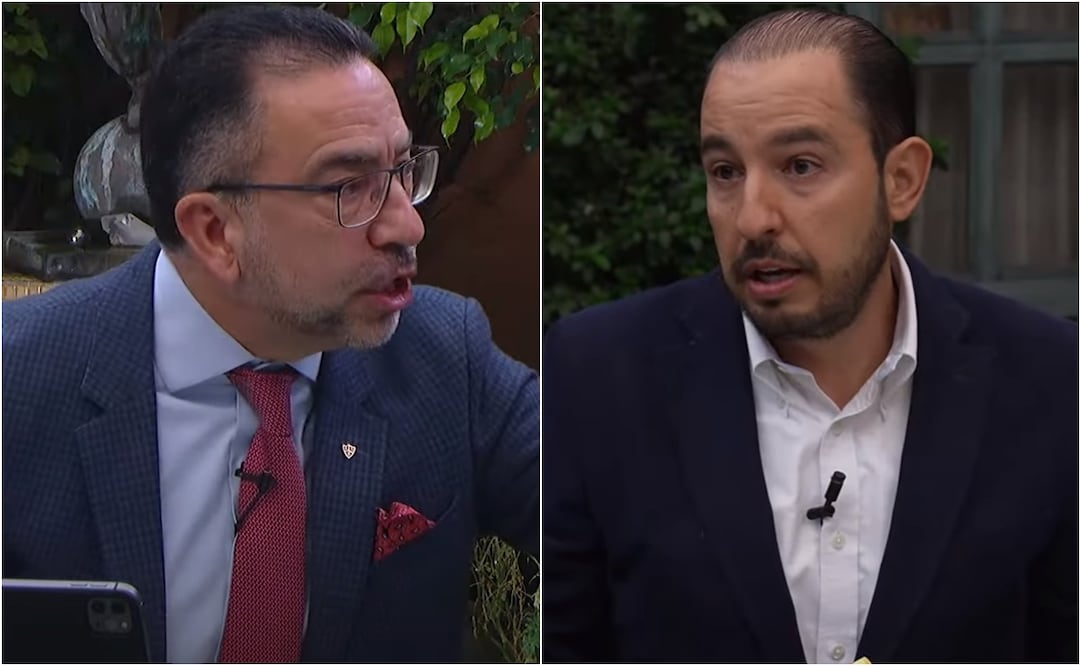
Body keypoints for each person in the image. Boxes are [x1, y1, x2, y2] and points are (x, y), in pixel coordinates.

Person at [3, 6, 538, 663]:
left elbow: (614, 500)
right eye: (351, 187)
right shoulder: (18, 378)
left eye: (402, 171)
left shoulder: (445, 355)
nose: (406, 226)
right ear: (214, 231)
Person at [542, 8, 1077, 663]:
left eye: (800, 166)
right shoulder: (598, 376)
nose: (752, 219)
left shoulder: (1052, 379)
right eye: (725, 172)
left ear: (902, 180)